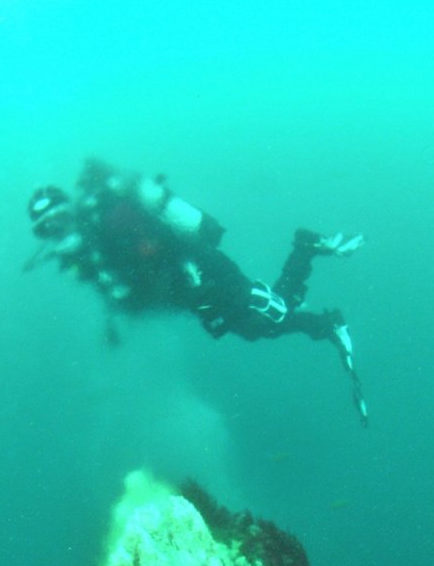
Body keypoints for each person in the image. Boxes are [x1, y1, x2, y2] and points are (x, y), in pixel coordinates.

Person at [26, 158, 369, 424]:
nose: (54, 232)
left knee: (270, 317)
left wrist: (148, 268)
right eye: (45, 230)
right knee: (257, 326)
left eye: (56, 220)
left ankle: (325, 313)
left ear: (68, 209)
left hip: (204, 272)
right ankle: (307, 256)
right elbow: (130, 291)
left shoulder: (108, 219)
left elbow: (155, 247)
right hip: (193, 293)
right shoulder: (91, 248)